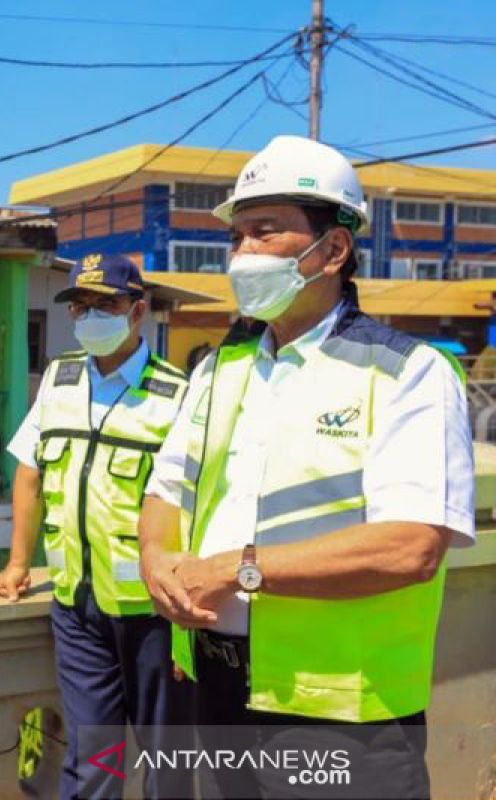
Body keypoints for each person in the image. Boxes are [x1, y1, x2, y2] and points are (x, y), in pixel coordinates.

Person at [139, 135, 474, 799]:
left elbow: (411, 547)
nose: (242, 255)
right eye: (237, 237)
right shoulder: (217, 370)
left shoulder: (407, 371)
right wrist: (159, 570)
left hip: (340, 711)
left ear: (334, 249)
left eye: (265, 232)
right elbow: (166, 491)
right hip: (218, 685)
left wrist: (235, 569)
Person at [0, 254, 193, 800]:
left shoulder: (179, 395)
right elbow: (29, 473)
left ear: (137, 312)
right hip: (78, 611)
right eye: (81, 306)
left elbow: (195, 506)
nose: (88, 316)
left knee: (166, 760)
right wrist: (16, 562)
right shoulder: (59, 379)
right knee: (94, 755)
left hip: (154, 613)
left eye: (104, 305)